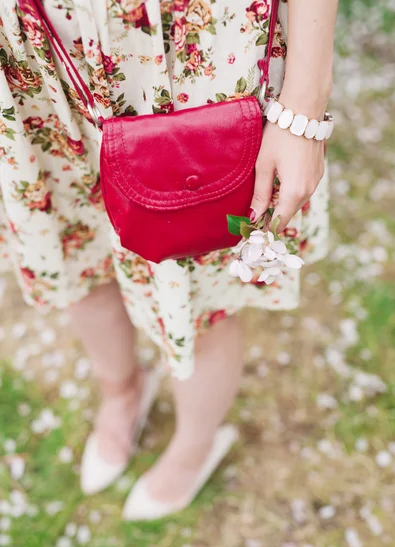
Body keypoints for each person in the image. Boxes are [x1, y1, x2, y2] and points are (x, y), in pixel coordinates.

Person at [0, 0, 337, 520]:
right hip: (36, 54)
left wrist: (304, 111)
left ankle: (194, 444)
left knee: (198, 286)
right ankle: (122, 393)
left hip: (185, 60)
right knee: (78, 253)